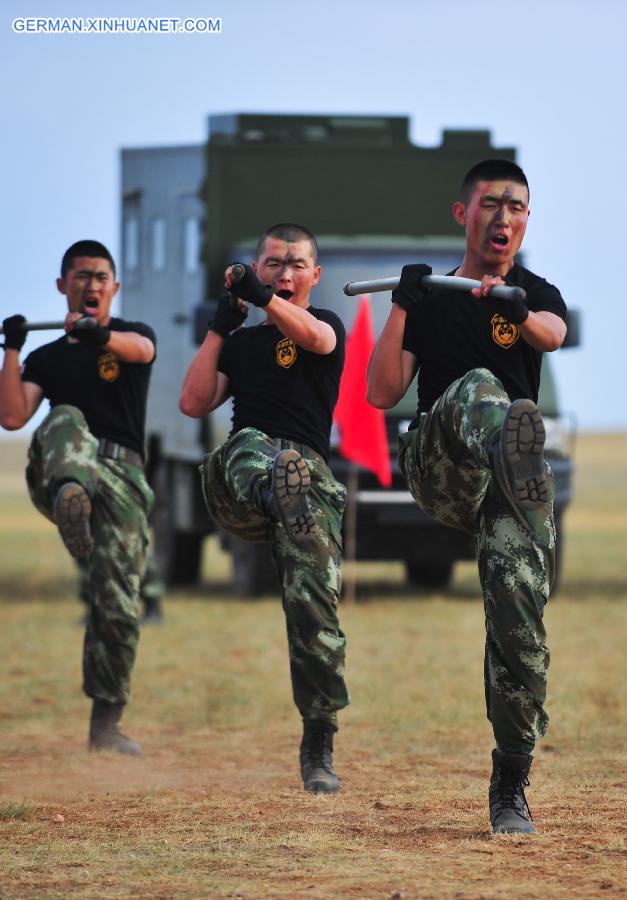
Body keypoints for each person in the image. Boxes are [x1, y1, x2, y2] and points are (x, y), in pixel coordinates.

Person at [367, 160, 567, 834]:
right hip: (441, 463)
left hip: (506, 486)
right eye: (490, 203)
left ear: (525, 219)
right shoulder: (431, 295)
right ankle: (501, 445)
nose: (502, 216)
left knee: (518, 608)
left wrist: (515, 305)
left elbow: (551, 335)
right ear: (464, 214)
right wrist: (400, 304)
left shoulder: (536, 295)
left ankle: (510, 780)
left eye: (516, 205)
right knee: (481, 385)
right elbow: (379, 392)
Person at [179, 223, 349, 794]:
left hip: (309, 486)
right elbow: (193, 402)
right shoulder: (244, 342)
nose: (285, 273)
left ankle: (318, 741)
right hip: (246, 478)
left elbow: (315, 342)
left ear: (315, 276)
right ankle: (275, 488)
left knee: (315, 607)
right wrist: (219, 328)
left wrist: (263, 299)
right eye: (273, 263)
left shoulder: (326, 325)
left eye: (297, 264)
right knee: (254, 444)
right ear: (258, 266)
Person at [0, 240, 156, 756]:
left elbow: (142, 352)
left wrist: (98, 335)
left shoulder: (132, 337)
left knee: (118, 605)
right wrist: (13, 349)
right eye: (81, 275)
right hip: (64, 467)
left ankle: (105, 726)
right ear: (62, 285)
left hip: (123, 479)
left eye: (100, 276)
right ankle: (72, 496)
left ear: (113, 287)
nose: (91, 284)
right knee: (65, 416)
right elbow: (13, 417)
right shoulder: (47, 358)